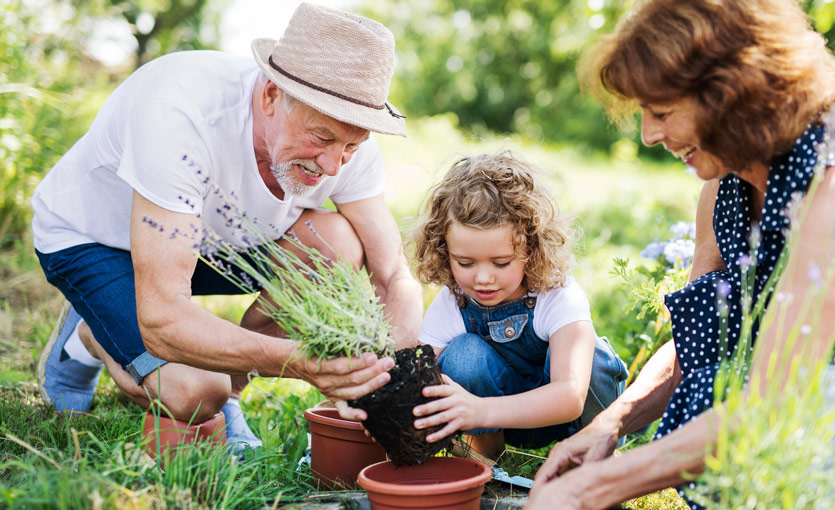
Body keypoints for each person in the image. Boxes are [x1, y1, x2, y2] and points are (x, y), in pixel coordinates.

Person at [527, 0, 835, 509]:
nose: (648, 134)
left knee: (778, 440)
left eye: (661, 112)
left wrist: (592, 489)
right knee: (714, 392)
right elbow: (702, 338)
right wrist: (608, 426)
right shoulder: (724, 184)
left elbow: (773, 403)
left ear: (733, 95)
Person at [32, 3, 422, 449]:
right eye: (322, 139)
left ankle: (230, 396)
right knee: (195, 392)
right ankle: (88, 335)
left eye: (352, 147)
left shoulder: (343, 138)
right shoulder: (179, 112)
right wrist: (302, 363)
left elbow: (393, 274)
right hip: (94, 239)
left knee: (337, 245)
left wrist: (396, 372)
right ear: (272, 95)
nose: (334, 165)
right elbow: (163, 319)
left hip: (206, 244)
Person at [405, 151, 628, 459]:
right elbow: (419, 379)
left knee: (593, 357)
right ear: (445, 251)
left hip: (569, 415)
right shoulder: (452, 303)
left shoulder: (557, 294)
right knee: (463, 356)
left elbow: (571, 395)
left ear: (531, 248)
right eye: (465, 262)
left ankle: (593, 450)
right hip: (499, 420)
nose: (483, 278)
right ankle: (484, 454)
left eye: (501, 262)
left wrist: (480, 410)